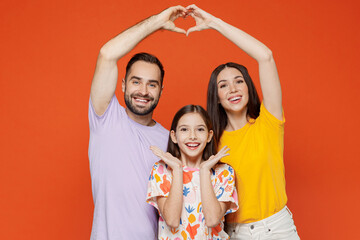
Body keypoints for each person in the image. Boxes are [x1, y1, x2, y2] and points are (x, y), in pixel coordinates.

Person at [185, 4, 301, 240]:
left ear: (249, 87)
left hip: (278, 228)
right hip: (235, 233)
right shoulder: (211, 141)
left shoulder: (268, 123)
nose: (233, 89)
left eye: (239, 81)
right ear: (216, 97)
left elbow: (265, 56)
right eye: (223, 85)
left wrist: (215, 23)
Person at [88, 6, 189, 240]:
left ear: (161, 90)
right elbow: (107, 54)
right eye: (136, 82)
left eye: (152, 84)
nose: (143, 91)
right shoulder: (105, 117)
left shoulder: (170, 140)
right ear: (123, 84)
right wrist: (157, 22)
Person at [146, 105, 239, 239]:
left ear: (209, 136)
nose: (192, 136)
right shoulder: (161, 171)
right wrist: (177, 170)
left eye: (200, 129)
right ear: (174, 136)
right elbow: (172, 220)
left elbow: (212, 220)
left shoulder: (224, 172)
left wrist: (204, 171)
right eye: (184, 129)